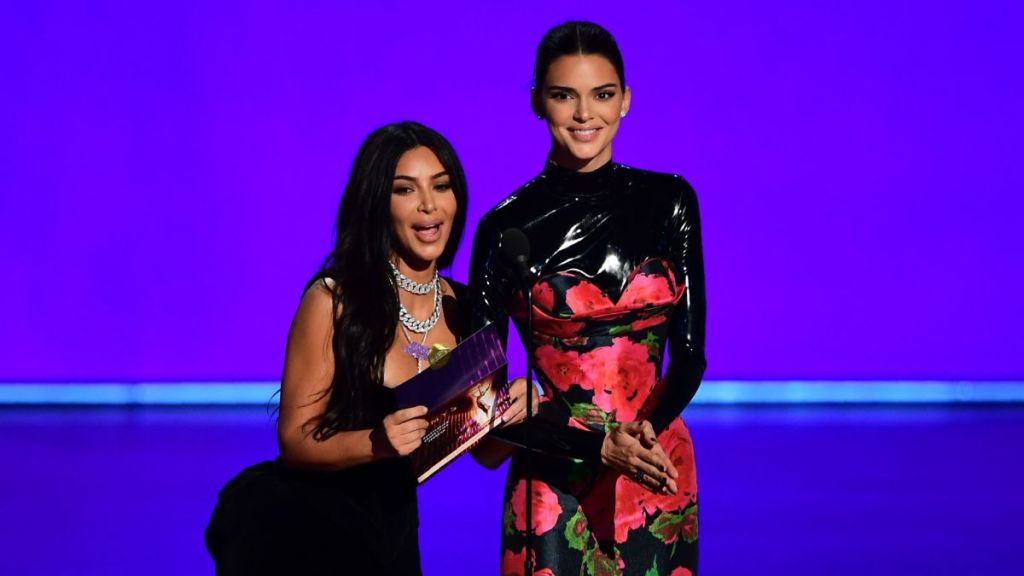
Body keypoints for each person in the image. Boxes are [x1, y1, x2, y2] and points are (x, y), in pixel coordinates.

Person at [205, 121, 531, 575]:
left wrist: (517, 412)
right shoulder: (333, 301)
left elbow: (483, 451)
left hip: (389, 535)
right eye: (405, 190)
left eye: (442, 186)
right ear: (378, 203)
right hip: (302, 532)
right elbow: (296, 439)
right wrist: (376, 442)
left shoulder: (471, 309)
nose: (429, 205)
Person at [469, 21, 706, 576]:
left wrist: (646, 431)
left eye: (601, 95)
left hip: (655, 462)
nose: (584, 114)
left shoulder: (671, 201)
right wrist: (599, 446)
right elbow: (481, 402)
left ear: (625, 100)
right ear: (536, 103)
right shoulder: (505, 228)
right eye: (563, 95)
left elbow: (691, 354)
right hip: (553, 476)